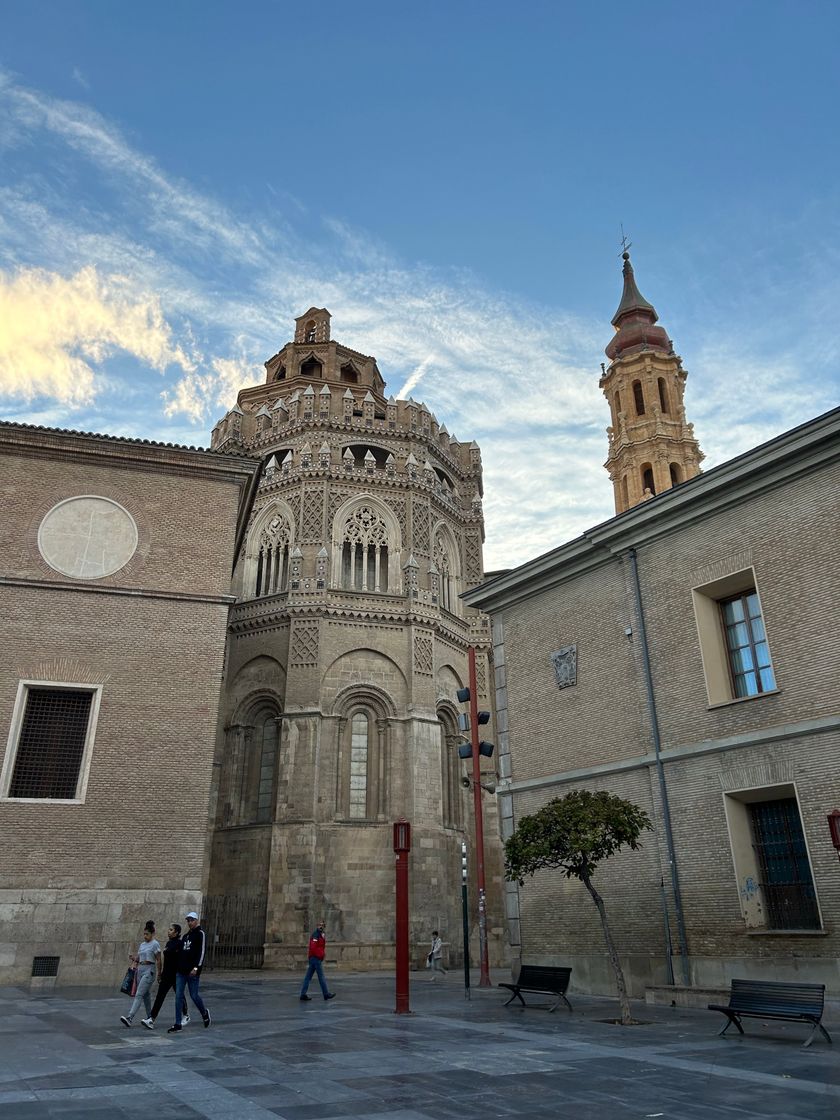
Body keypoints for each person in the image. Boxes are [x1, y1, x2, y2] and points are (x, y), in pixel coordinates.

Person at [167, 911, 211, 1033]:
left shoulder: (200, 934)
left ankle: (204, 1012)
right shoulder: (186, 936)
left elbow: (201, 952)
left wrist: (197, 967)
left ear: (196, 920)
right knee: (178, 997)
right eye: (188, 920)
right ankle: (177, 1023)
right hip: (181, 971)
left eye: (192, 920)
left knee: (194, 995)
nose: (190, 922)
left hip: (192, 972)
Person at [141, 923, 189, 1029]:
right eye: (169, 929)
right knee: (160, 997)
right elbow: (166, 960)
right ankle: (151, 1019)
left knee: (179, 995)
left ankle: (185, 1015)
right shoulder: (168, 943)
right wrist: (160, 974)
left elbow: (182, 959)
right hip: (166, 975)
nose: (169, 931)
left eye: (171, 930)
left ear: (176, 932)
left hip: (176, 975)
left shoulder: (180, 944)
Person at [120, 922, 161, 1026]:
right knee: (145, 995)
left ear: (152, 934)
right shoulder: (142, 945)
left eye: (147, 934)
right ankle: (150, 1018)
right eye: (144, 934)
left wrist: (159, 974)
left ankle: (130, 1017)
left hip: (149, 970)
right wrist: (133, 958)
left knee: (139, 994)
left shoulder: (155, 944)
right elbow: (139, 958)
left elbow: (159, 960)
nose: (145, 936)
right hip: (140, 969)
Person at [299, 920, 335, 1002]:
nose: (320, 926)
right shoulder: (315, 935)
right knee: (321, 977)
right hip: (315, 958)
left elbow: (321, 947)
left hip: (315, 958)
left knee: (308, 977)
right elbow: (313, 947)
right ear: (317, 926)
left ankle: (303, 994)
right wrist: (319, 956)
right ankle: (326, 994)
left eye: (322, 925)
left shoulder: (321, 935)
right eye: (319, 925)